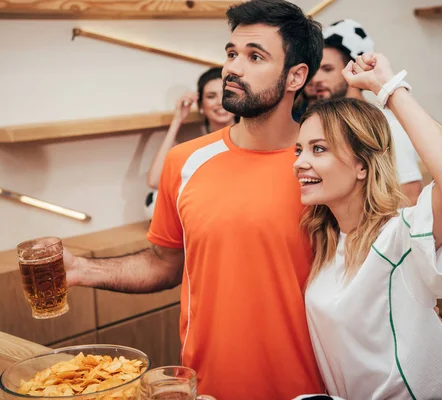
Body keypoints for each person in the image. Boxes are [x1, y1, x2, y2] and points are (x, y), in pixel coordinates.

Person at [63, 1, 325, 399]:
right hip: (209, 388)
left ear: (296, 76)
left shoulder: (324, 166)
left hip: (309, 389)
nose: (233, 68)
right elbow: (165, 265)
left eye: (255, 56)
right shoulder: (184, 162)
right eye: (232, 53)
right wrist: (82, 270)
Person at [294, 53, 442, 399]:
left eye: (318, 149)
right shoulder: (327, 244)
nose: (300, 162)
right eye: (299, 150)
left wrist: (389, 88)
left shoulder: (399, 237)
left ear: (362, 165)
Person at [311, 19, 423, 205]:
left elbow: (410, 196)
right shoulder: (314, 126)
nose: (316, 78)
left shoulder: (386, 124)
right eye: (314, 70)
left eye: (327, 69)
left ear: (352, 70)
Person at [145, 67, 235, 219]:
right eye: (211, 96)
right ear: (201, 106)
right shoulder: (196, 149)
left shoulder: (252, 141)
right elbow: (155, 181)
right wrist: (177, 119)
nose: (220, 102)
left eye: (226, 94)